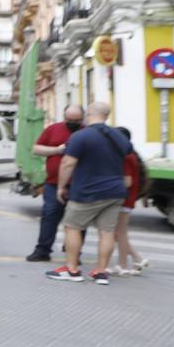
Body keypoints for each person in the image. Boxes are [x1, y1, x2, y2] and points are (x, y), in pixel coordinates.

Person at [45, 101, 131, 286]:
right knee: (107, 232)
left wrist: (61, 187)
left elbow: (67, 163)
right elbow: (127, 155)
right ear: (106, 115)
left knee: (72, 227)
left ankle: (72, 269)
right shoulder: (118, 136)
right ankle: (101, 272)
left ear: (89, 113)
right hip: (115, 191)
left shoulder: (81, 136)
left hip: (87, 191)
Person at [26, 104, 85, 262]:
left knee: (78, 221)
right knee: (49, 216)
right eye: (69, 119)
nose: (72, 122)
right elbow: (36, 149)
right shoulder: (53, 129)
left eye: (76, 120)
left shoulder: (87, 131)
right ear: (64, 117)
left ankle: (74, 253)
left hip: (79, 184)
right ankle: (42, 250)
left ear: (82, 119)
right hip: (53, 183)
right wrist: (57, 150)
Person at [109, 126, 150, 276]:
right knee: (118, 233)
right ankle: (137, 259)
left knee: (119, 234)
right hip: (127, 199)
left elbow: (127, 182)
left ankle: (123, 265)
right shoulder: (131, 154)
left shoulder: (125, 157)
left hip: (123, 199)